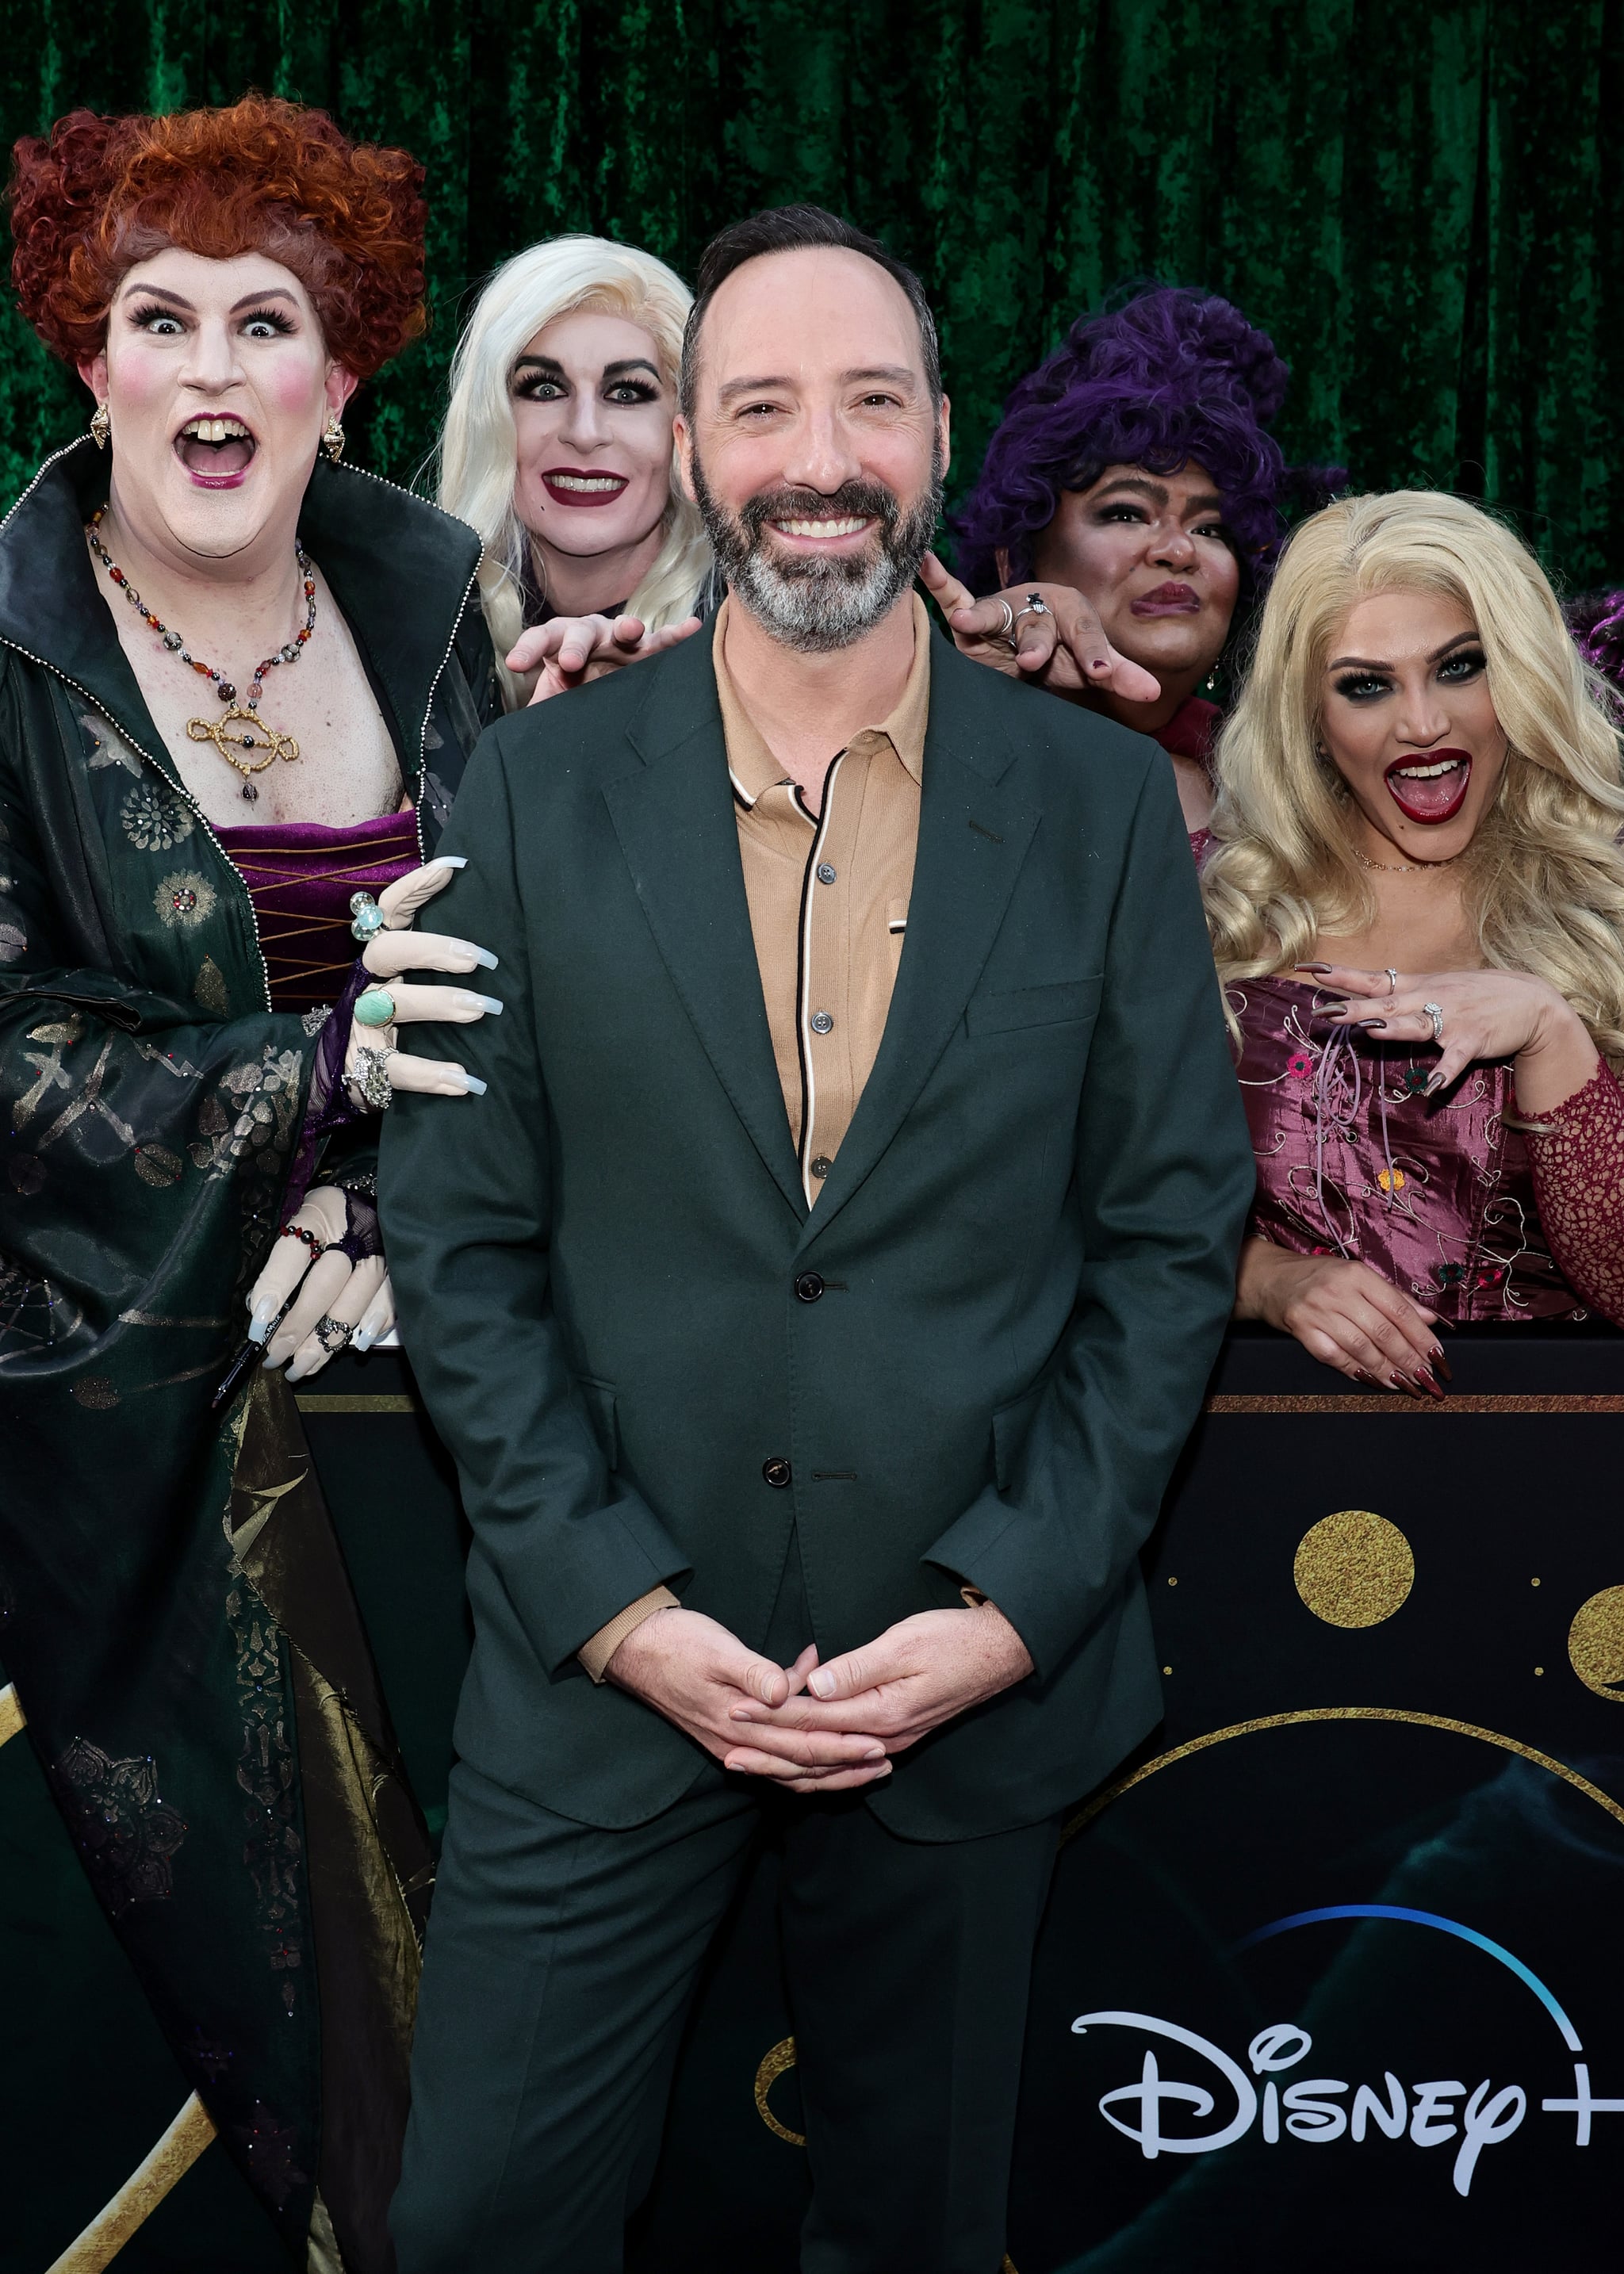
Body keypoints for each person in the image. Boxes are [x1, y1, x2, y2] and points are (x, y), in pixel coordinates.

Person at [379, 201, 1254, 2272]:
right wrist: (623, 1609)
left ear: (939, 432)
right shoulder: (526, 790)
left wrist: (1011, 1607)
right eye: (763, 402)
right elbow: (465, 1252)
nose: (822, 452)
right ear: (692, 442)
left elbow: (1164, 1235)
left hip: (961, 1689)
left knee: (916, 2238)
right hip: (610, 1673)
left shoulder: (1103, 804)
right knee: (482, 2221)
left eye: (871, 397)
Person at [0, 98, 501, 2266]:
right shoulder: (9, 639)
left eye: (265, 322)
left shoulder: (431, 601)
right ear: (85, 363)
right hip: (109, 1382)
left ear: (344, 373)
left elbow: (538, 985)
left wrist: (392, 1205)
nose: (212, 371)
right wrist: (293, 1103)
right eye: (158, 319)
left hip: (422, 1357)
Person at [1201, 489, 1624, 1392]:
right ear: (1308, 717)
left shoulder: (1608, 902)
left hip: (1562, 1472)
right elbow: (1059, 1217)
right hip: (1255, 1464)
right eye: (1364, 684)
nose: (1421, 724)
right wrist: (1258, 1278)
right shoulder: (1206, 907)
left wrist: (1551, 1034)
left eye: (1459, 667)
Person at [940, 283, 1341, 856]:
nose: (1179, 550)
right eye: (1127, 513)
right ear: (1014, 560)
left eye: (1211, 528)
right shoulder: (938, 746)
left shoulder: (1303, 793)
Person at [437, 234, 714, 706]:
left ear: (683, 430)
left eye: (627, 393)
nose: (584, 434)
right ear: (491, 419)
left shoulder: (749, 632)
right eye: (545, 390)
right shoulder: (419, 626)